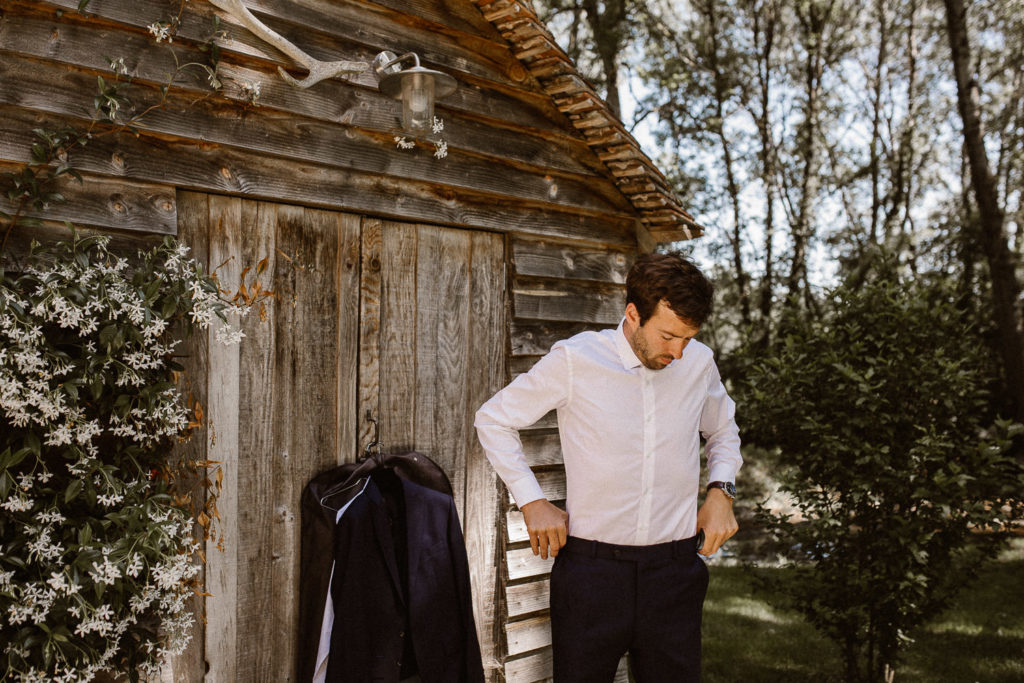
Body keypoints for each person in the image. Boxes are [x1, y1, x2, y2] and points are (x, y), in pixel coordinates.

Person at [474, 252, 741, 682]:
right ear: (633, 314)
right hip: (591, 576)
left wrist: (720, 492)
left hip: (675, 574)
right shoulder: (576, 360)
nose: (677, 352)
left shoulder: (699, 363)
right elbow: (493, 418)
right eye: (668, 336)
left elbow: (724, 431)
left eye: (688, 339)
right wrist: (531, 501)